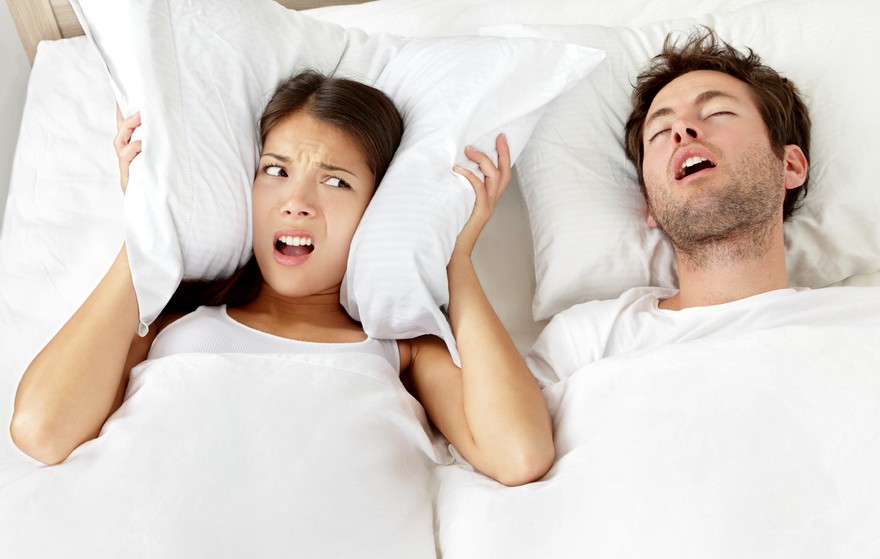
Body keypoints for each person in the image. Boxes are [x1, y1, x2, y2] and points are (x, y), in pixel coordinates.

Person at [10, 70, 554, 486]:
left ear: (378, 208)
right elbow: (42, 430)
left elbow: (518, 455)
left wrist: (455, 257)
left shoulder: (402, 348)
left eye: (336, 182)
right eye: (276, 170)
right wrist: (147, 224)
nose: (296, 201)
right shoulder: (168, 322)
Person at [525, 28, 875, 385]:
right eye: (660, 132)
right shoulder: (586, 341)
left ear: (790, 166)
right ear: (651, 205)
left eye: (717, 112)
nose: (681, 129)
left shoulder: (866, 323)